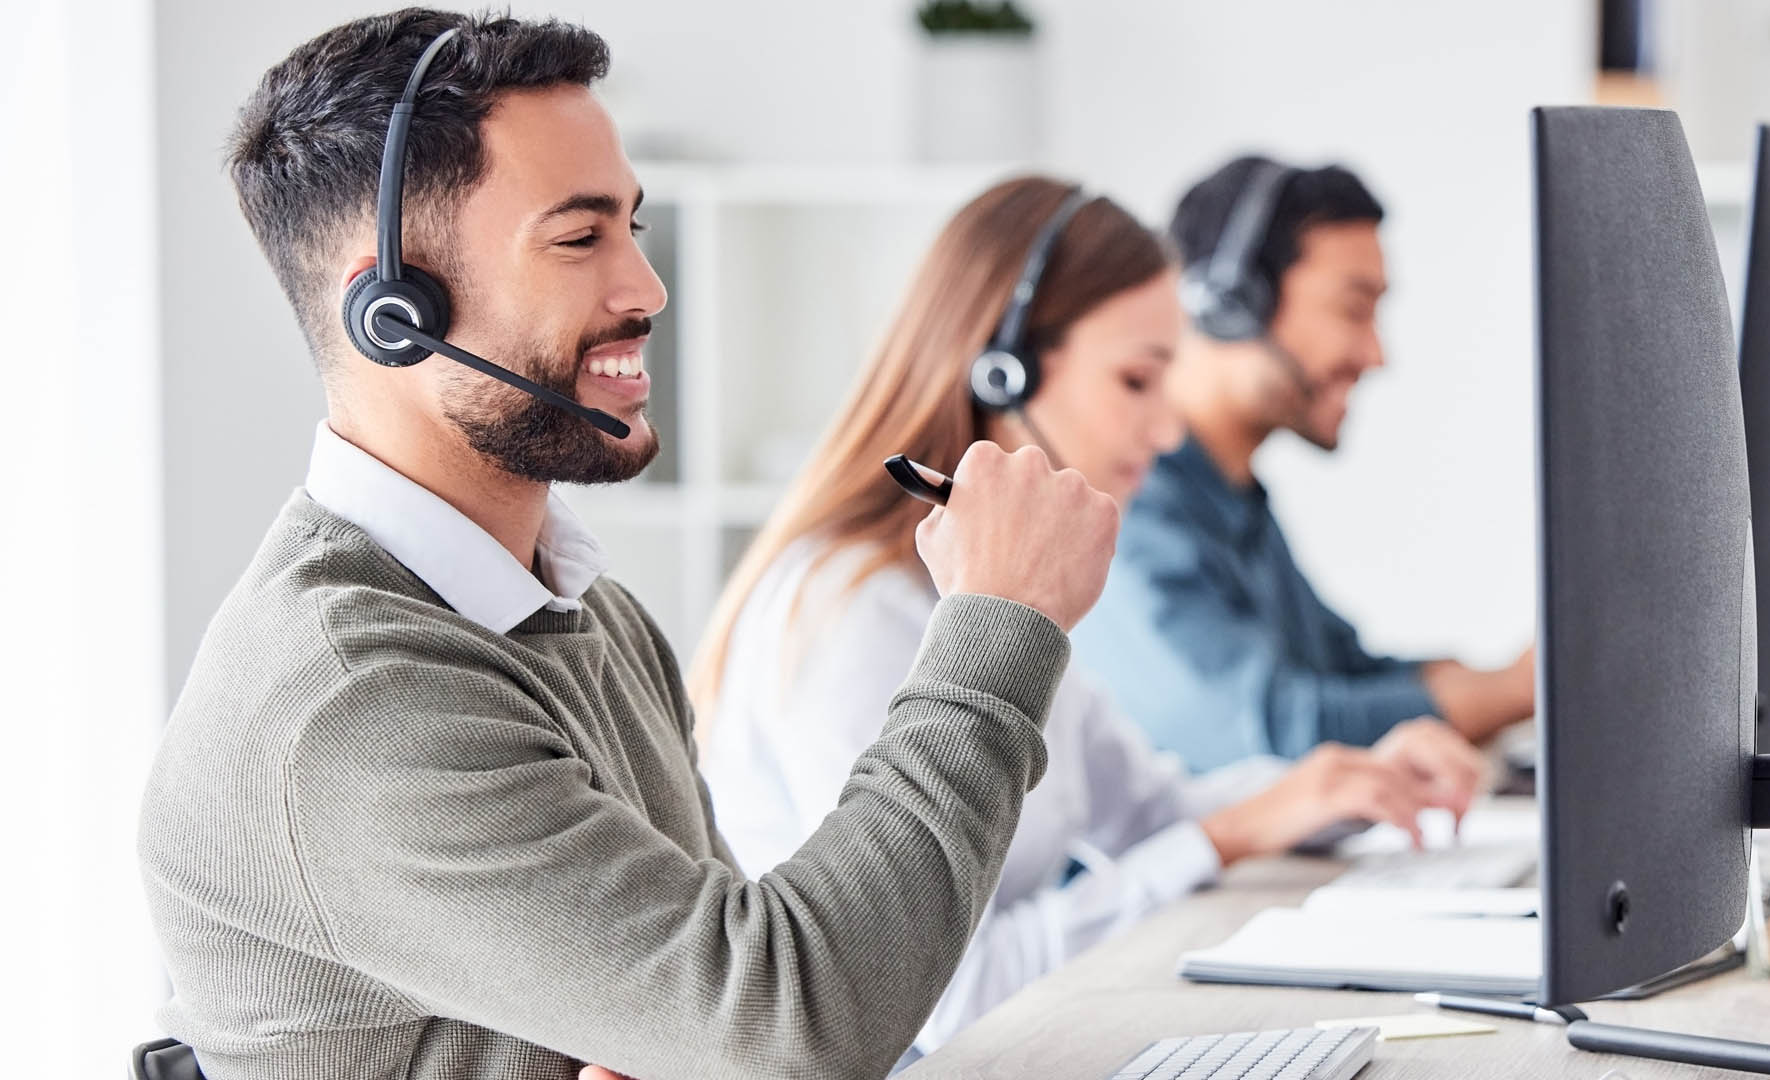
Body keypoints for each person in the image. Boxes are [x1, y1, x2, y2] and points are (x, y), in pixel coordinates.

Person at [135, 11, 1124, 1079]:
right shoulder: (354, 699)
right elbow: (795, 1023)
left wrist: (733, 1032)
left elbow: (738, 1021)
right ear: (392, 309)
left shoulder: (583, 611)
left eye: (633, 227)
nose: (648, 290)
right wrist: (998, 622)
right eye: (579, 238)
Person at [686, 176, 1484, 1061]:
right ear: (1003, 371)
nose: (1169, 432)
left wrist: (1338, 788)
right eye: (1137, 379)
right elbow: (945, 999)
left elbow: (1148, 810)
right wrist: (1222, 838)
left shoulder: (1008, 588)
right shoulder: (853, 610)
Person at [1074, 155, 1535, 772]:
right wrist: (1517, 690)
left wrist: (1495, 678)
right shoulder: (1132, 506)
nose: (1375, 354)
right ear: (1233, 300)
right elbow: (1274, 731)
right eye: (1353, 309)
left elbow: (1343, 670)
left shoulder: (1233, 501)